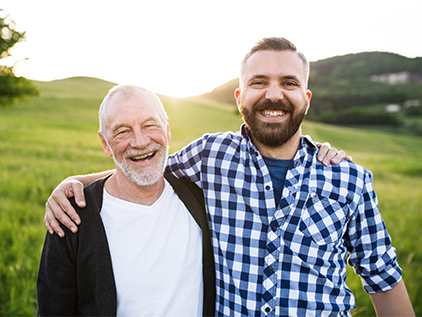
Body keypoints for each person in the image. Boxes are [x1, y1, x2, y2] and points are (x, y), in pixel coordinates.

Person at [44, 37, 415, 315]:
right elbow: (145, 167)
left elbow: (383, 279)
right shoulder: (211, 156)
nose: (274, 95)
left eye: (288, 82)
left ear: (306, 97)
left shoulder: (347, 179)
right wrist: (74, 181)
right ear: (240, 97)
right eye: (259, 82)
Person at [37, 84, 216, 316]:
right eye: (122, 131)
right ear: (105, 143)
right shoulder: (71, 218)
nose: (140, 142)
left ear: (167, 130)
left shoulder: (200, 197)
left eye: (149, 125)